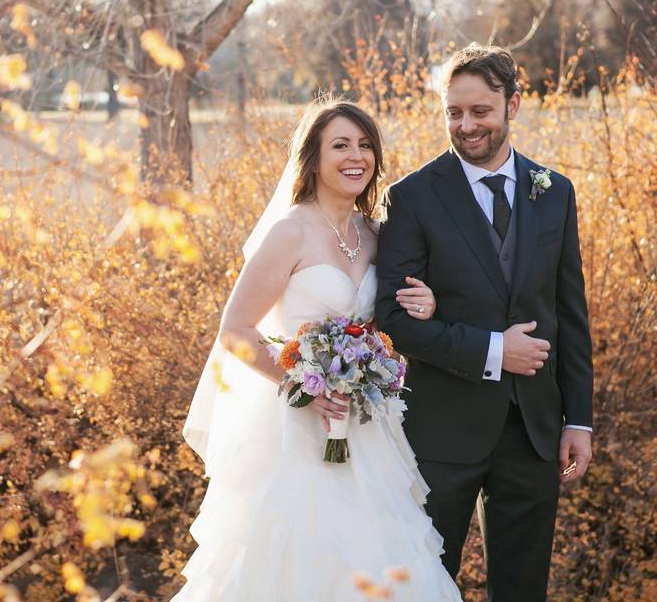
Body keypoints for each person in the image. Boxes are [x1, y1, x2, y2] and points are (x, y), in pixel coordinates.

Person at [176, 100, 461, 601]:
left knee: (381, 551)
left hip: (364, 428)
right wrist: (302, 383)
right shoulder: (290, 232)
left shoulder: (376, 235)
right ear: (312, 159)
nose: (357, 156)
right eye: (341, 145)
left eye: (365, 144)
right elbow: (237, 329)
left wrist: (427, 303)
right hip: (293, 432)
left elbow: (385, 321)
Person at [374, 44, 594, 602]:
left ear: (513, 105)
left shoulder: (555, 192)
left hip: (534, 429)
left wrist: (580, 420)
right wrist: (494, 351)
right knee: (425, 585)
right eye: (454, 112)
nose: (466, 126)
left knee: (523, 589)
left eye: (479, 111)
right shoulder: (412, 197)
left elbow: (569, 313)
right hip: (441, 429)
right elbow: (393, 319)